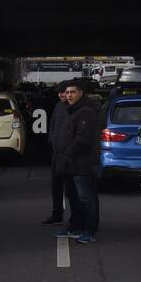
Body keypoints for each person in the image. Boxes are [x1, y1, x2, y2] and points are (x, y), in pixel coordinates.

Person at [53, 78, 101, 244]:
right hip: (70, 164)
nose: (69, 95)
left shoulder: (86, 111)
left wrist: (67, 152)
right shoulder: (70, 109)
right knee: (74, 197)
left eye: (73, 92)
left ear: (81, 93)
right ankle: (75, 226)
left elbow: (83, 139)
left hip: (82, 163)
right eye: (67, 93)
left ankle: (90, 229)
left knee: (86, 197)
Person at [41, 84, 70, 225]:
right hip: (57, 152)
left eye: (63, 92)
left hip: (69, 153)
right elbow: (53, 125)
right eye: (59, 93)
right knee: (56, 185)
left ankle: (78, 219)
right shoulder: (58, 106)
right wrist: (52, 140)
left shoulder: (75, 108)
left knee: (72, 188)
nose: (61, 95)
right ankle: (57, 213)